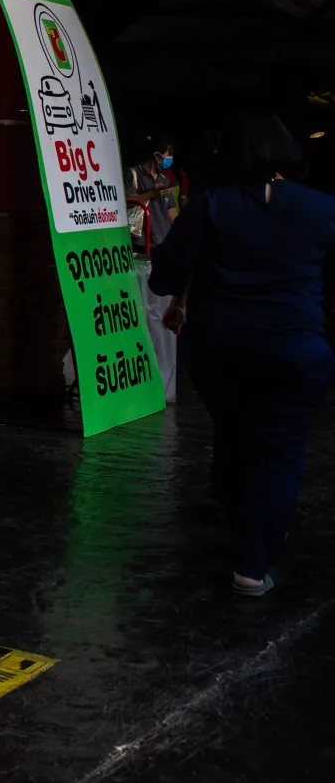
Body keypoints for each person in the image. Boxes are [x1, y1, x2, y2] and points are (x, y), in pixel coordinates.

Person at [150, 113, 335, 597]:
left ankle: (247, 519)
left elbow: (162, 277)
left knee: (233, 432)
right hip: (295, 350)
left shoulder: (210, 205)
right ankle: (252, 565)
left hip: (219, 349)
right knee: (278, 453)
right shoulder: (321, 208)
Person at [126, 136, 183, 402]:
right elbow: (125, 202)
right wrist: (151, 194)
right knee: (144, 310)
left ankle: (161, 379)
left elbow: (173, 214)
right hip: (142, 246)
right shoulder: (134, 174)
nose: (167, 160)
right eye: (166, 154)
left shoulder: (167, 178)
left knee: (157, 312)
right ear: (155, 153)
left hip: (162, 245)